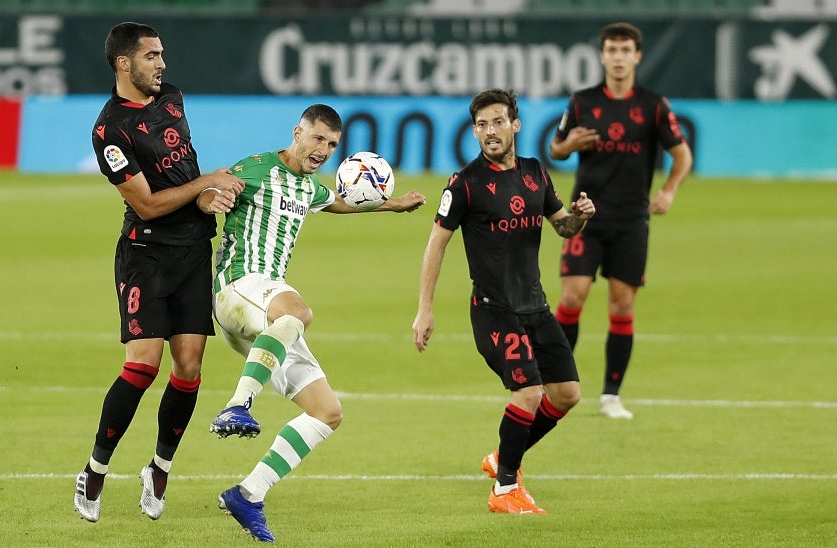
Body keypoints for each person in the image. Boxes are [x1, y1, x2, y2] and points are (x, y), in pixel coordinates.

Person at [207, 104, 426, 542]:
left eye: (331, 144)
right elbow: (213, 183)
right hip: (238, 286)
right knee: (300, 312)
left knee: (328, 413)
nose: (323, 149)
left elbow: (338, 203)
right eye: (317, 138)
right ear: (297, 132)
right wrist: (209, 196)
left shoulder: (309, 188)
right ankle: (238, 404)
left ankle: (248, 494)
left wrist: (391, 205)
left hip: (266, 318)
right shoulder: (258, 167)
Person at [73, 22, 244, 523]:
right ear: (124, 63)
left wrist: (209, 193)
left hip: (193, 250)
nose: (162, 63)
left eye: (162, 54)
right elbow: (146, 205)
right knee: (143, 365)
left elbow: (184, 175)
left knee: (189, 365)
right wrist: (203, 185)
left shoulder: (172, 98)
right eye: (151, 56)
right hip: (145, 254)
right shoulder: (109, 130)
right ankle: (95, 470)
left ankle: (159, 468)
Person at [412, 89, 594, 515]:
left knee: (566, 394)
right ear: (473, 131)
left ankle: (501, 459)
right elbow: (435, 245)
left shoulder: (536, 173)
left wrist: (581, 215)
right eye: (481, 124)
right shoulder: (464, 184)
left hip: (536, 306)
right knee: (528, 391)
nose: (489, 131)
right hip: (495, 309)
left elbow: (563, 227)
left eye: (497, 122)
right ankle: (504, 489)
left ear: (515, 125)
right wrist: (425, 307)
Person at [549, 22, 693, 420]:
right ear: (601, 56)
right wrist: (567, 145)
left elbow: (682, 155)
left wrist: (667, 191)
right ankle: (556, 377)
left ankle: (611, 395)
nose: (617, 57)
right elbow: (555, 148)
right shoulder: (582, 101)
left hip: (631, 220)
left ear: (637, 56)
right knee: (572, 296)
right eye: (610, 50)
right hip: (585, 215)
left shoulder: (652, 104)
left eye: (624, 50)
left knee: (622, 304)